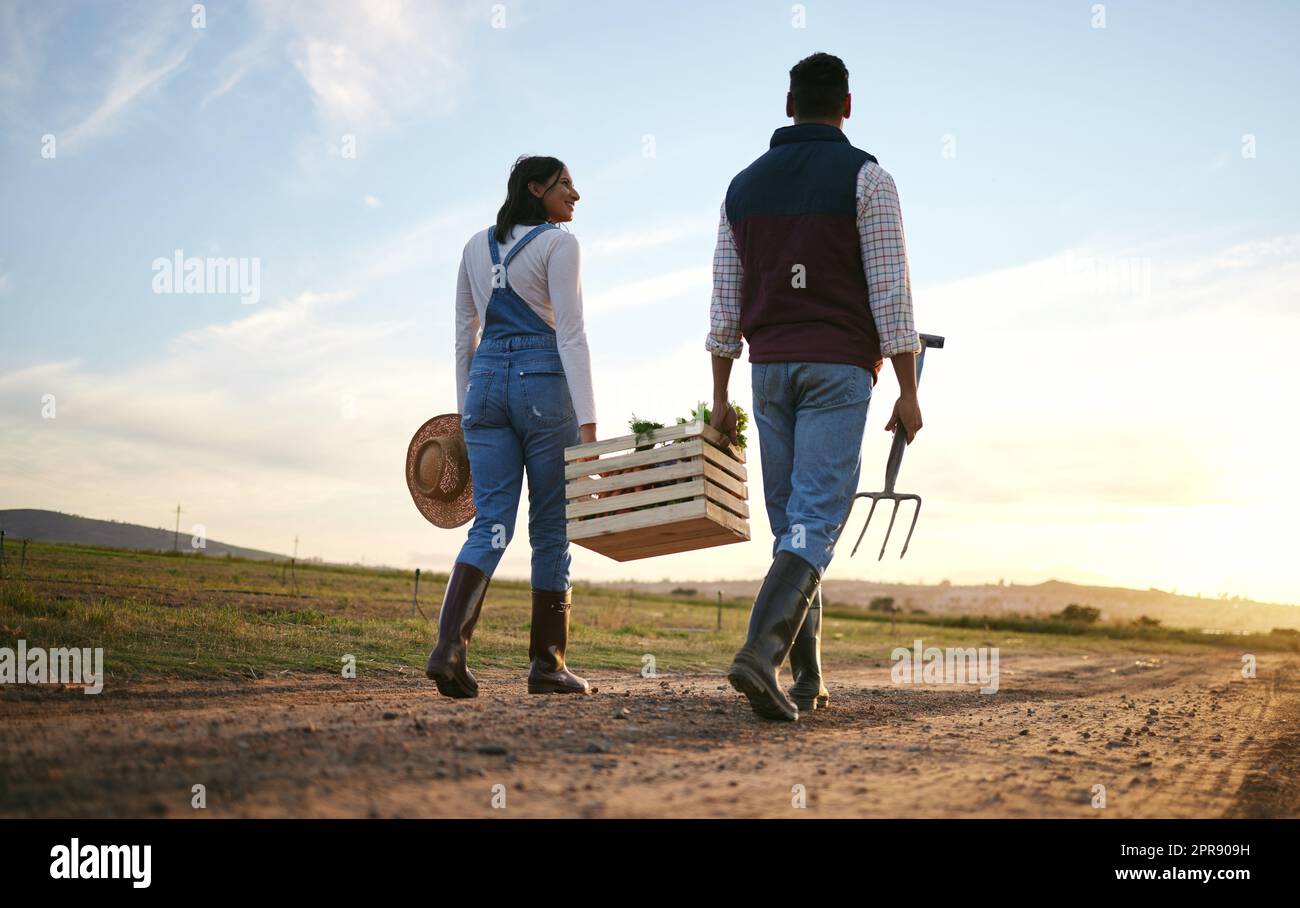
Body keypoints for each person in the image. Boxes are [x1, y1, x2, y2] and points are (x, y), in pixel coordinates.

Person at [706, 53, 923, 721]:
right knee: (816, 519)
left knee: (795, 523)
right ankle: (759, 656)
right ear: (847, 107)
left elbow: (724, 302)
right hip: (837, 369)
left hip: (766, 371)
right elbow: (891, 290)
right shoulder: (869, 179)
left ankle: (806, 679)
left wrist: (719, 398)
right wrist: (908, 389)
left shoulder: (741, 187)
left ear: (788, 103)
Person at [425, 155, 597, 698]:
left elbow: (462, 334)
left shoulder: (474, 246)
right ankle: (547, 665)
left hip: (484, 390)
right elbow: (570, 333)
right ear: (535, 189)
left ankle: (449, 649)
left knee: (490, 524)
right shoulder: (559, 245)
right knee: (551, 528)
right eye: (565, 184)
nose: (576, 194)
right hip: (544, 384)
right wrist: (589, 421)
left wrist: (464, 412)